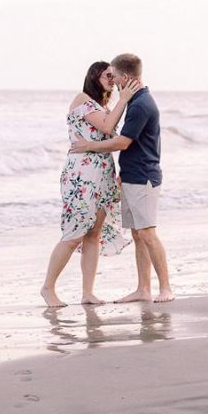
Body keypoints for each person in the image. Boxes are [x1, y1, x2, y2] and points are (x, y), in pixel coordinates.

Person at [71, 53, 174, 303]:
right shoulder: (136, 100)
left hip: (143, 177)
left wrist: (88, 146)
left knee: (147, 233)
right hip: (131, 175)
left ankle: (166, 288)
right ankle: (143, 289)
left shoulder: (140, 104)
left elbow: (123, 143)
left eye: (115, 76)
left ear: (125, 77)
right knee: (138, 235)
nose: (114, 81)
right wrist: (120, 174)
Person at [40, 61, 141, 307]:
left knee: (93, 234)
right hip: (81, 174)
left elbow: (115, 138)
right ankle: (48, 288)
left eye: (113, 76)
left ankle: (88, 293)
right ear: (94, 76)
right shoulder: (82, 100)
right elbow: (106, 127)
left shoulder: (104, 107)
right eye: (107, 75)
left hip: (103, 172)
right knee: (74, 233)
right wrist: (124, 99)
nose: (112, 80)